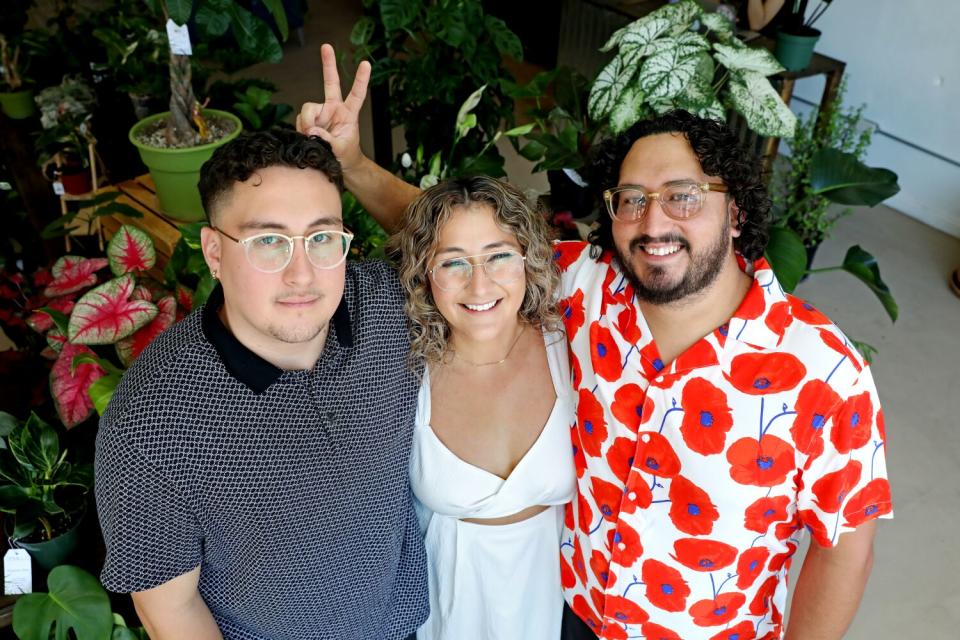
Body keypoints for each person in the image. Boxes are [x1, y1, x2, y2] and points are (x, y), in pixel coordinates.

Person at [297, 45, 892, 639]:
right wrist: (351, 163)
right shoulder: (590, 286)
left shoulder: (824, 373)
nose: (654, 223)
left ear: (735, 209)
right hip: (566, 612)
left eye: (682, 195)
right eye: (632, 198)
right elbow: (462, 242)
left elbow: (843, 549)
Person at [94, 129, 428, 640]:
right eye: (267, 241)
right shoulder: (151, 421)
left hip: (406, 625)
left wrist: (357, 162)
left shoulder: (385, 305)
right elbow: (171, 610)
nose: (302, 274)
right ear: (213, 252)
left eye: (321, 237)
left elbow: (458, 237)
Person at [396, 177, 576, 638]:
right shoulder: (404, 371)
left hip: (557, 603)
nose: (480, 284)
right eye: (453, 262)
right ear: (424, 274)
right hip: (450, 606)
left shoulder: (572, 343)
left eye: (498, 255)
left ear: (528, 258)